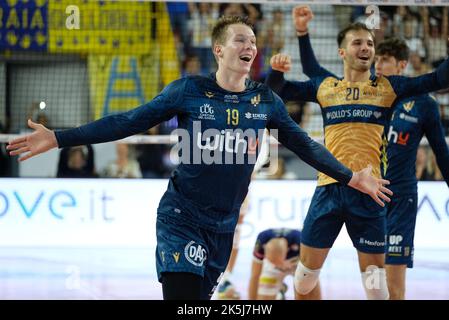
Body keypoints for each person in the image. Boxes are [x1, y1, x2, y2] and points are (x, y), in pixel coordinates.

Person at [8, 16, 391, 300]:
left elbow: (306, 146)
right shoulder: (189, 90)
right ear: (220, 50)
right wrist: (60, 137)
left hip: (223, 228)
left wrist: (350, 177)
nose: (250, 46)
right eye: (241, 40)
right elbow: (128, 121)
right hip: (182, 219)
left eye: (253, 41)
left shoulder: (264, 101)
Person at [266, 6, 449, 300]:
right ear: (342, 52)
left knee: (377, 288)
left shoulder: (387, 88)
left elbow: (437, 80)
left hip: (369, 192)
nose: (366, 47)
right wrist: (275, 70)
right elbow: (276, 90)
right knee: (302, 282)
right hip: (328, 190)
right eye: (358, 42)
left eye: (370, 43)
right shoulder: (326, 87)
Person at [248, 228, 302, 300]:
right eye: (274, 262)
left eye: (279, 262)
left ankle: (280, 288)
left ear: (286, 251)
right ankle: (279, 290)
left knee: (306, 290)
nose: (280, 266)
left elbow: (312, 271)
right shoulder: (261, 241)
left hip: (296, 263)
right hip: (271, 268)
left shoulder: (300, 240)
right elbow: (255, 275)